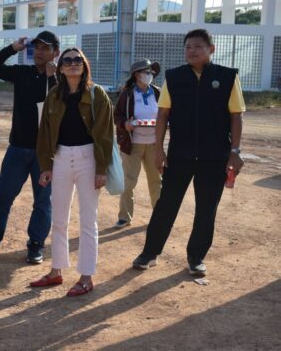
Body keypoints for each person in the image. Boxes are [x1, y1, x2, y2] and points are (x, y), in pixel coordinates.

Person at [133, 28, 245, 277]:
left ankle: (196, 257)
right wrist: (159, 150)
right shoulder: (174, 77)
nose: (191, 51)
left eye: (197, 46)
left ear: (211, 49)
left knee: (206, 209)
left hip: (214, 156)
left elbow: (236, 116)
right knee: (166, 205)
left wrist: (235, 151)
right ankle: (149, 253)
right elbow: (163, 114)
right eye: (187, 47)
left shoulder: (227, 77)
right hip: (179, 155)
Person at [30, 48, 113, 296]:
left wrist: (101, 169)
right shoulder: (54, 94)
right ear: (61, 68)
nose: (73, 63)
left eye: (78, 60)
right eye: (67, 60)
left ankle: (86, 276)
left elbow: (106, 135)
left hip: (89, 158)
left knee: (88, 220)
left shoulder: (97, 94)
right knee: (59, 219)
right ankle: (56, 271)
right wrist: (46, 166)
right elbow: (45, 132)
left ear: (84, 65)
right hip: (61, 158)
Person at [0, 31, 58, 264]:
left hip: (46, 152)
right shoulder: (22, 72)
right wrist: (12, 48)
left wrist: (54, 78)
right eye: (37, 47)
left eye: (45, 48)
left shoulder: (61, 78)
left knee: (43, 200)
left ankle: (36, 243)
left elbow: (65, 103)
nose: (39, 52)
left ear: (55, 52)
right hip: (18, 147)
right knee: (3, 196)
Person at [113, 59, 162, 229]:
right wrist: (125, 124)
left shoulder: (158, 92)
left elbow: (166, 114)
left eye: (151, 72)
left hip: (154, 144)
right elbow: (117, 116)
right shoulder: (127, 94)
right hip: (132, 144)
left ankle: (159, 216)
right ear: (137, 75)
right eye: (146, 72)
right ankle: (124, 217)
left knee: (156, 180)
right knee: (128, 181)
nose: (150, 75)